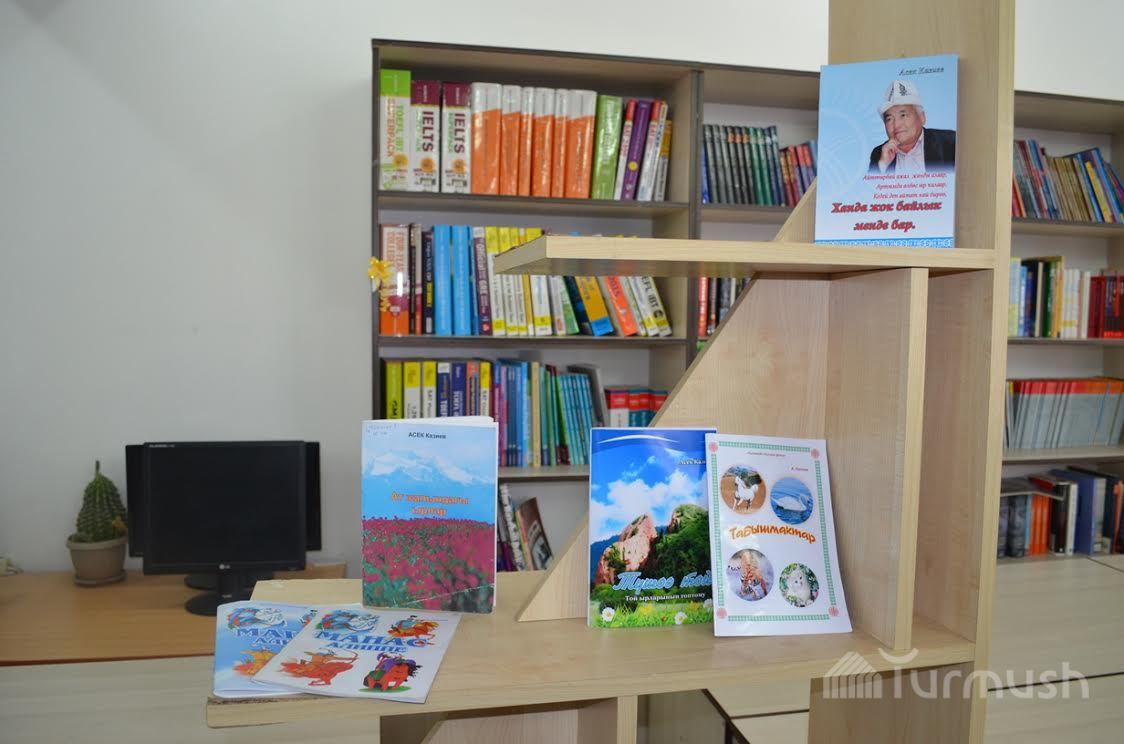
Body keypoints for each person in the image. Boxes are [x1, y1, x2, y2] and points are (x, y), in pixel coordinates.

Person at [868, 79, 955, 174]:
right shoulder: (879, 154)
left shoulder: (950, 143)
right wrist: (882, 166)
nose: (896, 124)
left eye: (903, 115)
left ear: (922, 117)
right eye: (889, 119)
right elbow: (869, 183)